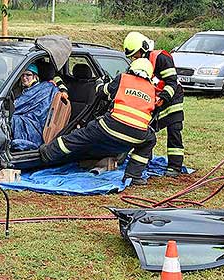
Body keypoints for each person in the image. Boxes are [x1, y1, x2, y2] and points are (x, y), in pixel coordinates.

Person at [40, 58, 158, 186]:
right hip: (137, 134)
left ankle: (49, 152)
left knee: (81, 135)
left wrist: (99, 83)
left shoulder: (123, 78)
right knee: (150, 141)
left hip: (111, 126)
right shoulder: (152, 90)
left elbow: (103, 91)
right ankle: (134, 176)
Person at [123, 31, 185, 177]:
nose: (134, 58)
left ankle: (175, 167)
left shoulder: (161, 58)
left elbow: (171, 82)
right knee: (147, 130)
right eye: (132, 56)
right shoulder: (137, 64)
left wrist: (163, 97)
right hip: (154, 101)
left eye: (135, 54)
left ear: (143, 48)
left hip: (172, 100)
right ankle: (144, 162)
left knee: (174, 131)